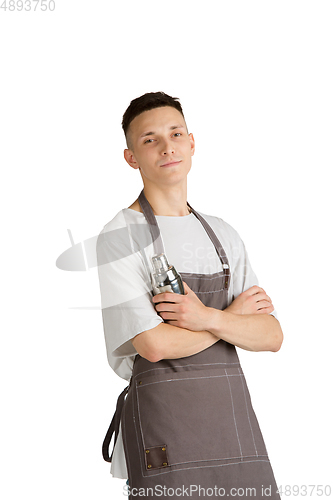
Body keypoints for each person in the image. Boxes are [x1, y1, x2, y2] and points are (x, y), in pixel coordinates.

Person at [97, 92, 283, 499]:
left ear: (192, 142)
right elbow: (153, 344)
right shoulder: (120, 235)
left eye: (175, 133)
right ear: (132, 158)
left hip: (232, 422)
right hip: (165, 425)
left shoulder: (223, 233)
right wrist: (233, 318)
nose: (167, 146)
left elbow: (271, 336)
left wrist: (207, 318)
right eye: (149, 139)